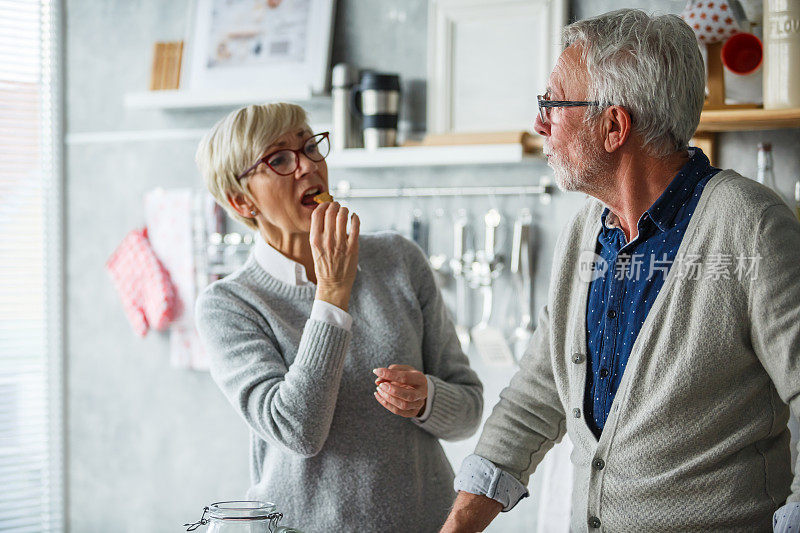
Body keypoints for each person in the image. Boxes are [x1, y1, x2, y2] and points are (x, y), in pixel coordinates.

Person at [441, 9, 800, 533]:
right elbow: (536, 395)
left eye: (555, 103)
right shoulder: (584, 233)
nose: (541, 122)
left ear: (614, 126)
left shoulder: (749, 225)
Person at [194, 103, 483, 532]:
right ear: (241, 200)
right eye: (279, 159)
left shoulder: (399, 259)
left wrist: (427, 400)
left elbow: (470, 409)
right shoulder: (229, 304)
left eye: (310, 147)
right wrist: (332, 294)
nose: (308, 166)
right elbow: (297, 431)